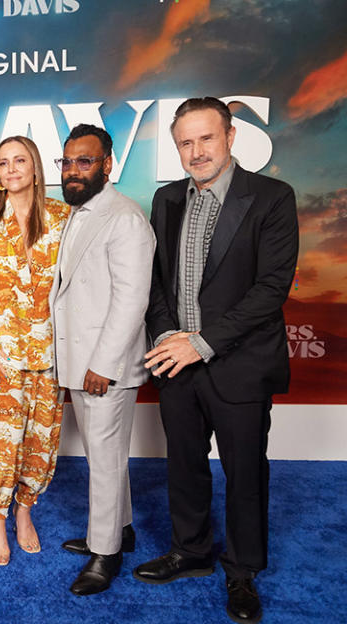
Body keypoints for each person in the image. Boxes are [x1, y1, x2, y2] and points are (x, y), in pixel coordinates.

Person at [135, 97, 298, 624]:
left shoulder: (272, 197)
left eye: (206, 138)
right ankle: (191, 551)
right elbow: (156, 281)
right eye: (185, 142)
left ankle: (243, 570)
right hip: (175, 362)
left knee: (244, 473)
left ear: (230, 136)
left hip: (239, 363)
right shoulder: (166, 200)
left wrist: (199, 343)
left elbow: (271, 289)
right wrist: (165, 336)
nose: (196, 151)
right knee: (182, 466)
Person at [50, 124, 155, 593]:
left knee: (106, 461)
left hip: (104, 368)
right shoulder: (81, 211)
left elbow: (132, 301)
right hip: (82, 362)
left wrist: (103, 365)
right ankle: (122, 530)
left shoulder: (125, 217)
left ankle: (105, 554)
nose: (73, 170)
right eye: (67, 161)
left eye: (85, 161)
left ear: (108, 165)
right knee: (103, 456)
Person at [0, 136, 70, 565]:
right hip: (0, 354)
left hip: (50, 350)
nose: (11, 169)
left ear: (35, 167)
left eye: (20, 161)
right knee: (3, 441)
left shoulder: (63, 216)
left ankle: (25, 511)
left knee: (40, 439)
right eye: (3, 162)